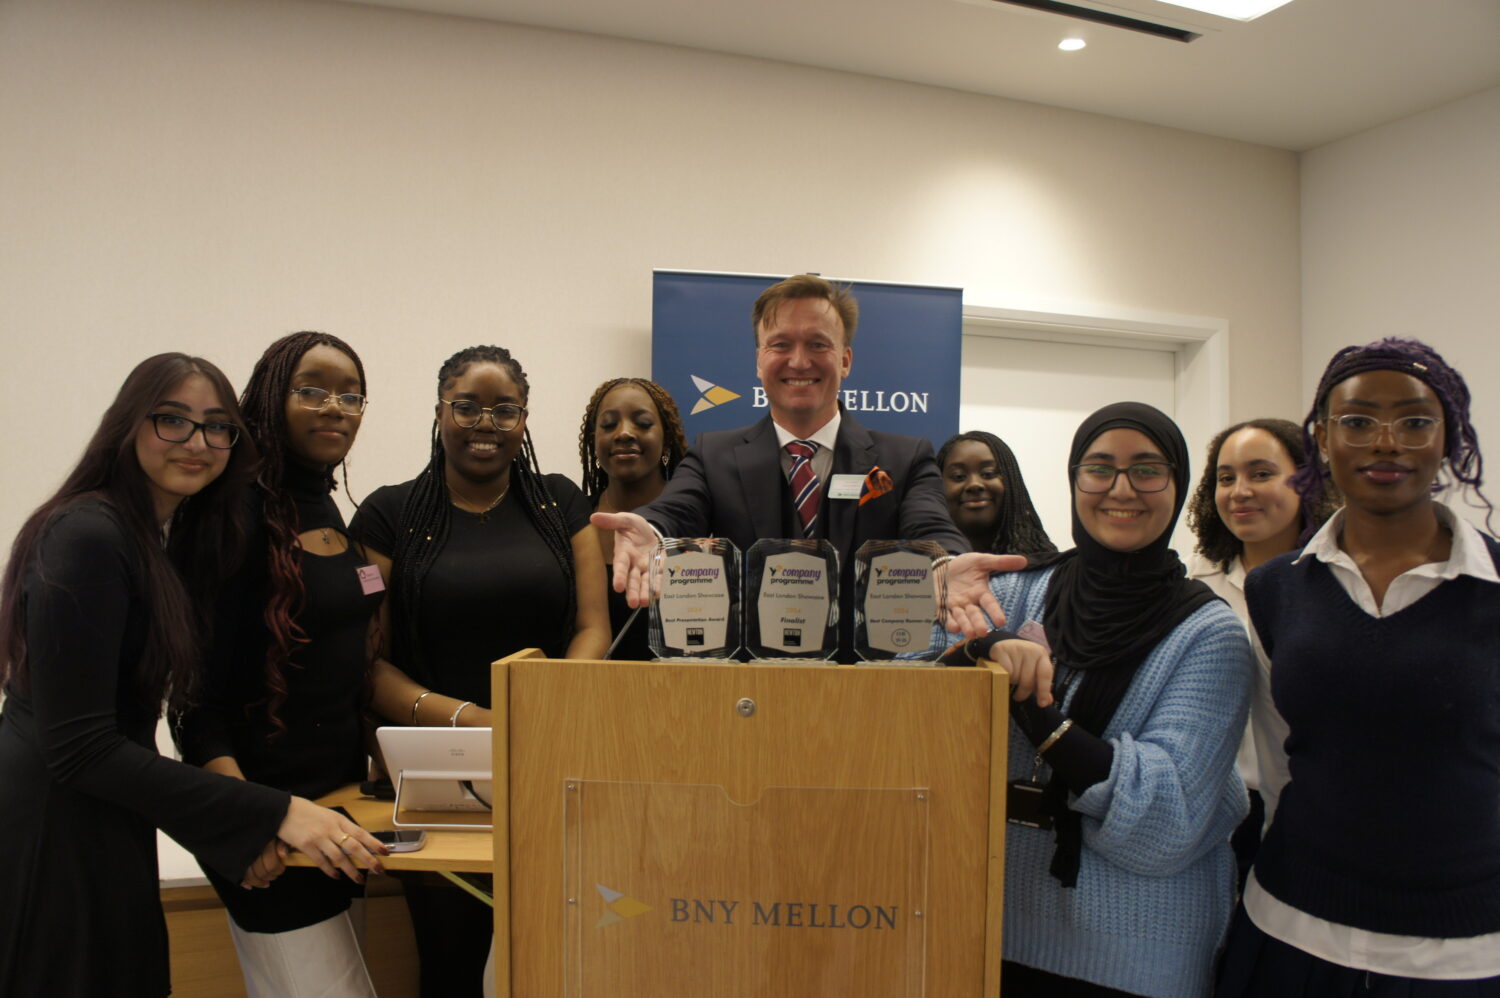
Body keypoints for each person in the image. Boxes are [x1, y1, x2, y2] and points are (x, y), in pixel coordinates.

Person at [0, 353, 386, 998]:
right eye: (172, 421)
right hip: (54, 820)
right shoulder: (87, 534)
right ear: (127, 425)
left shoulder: (145, 535)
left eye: (216, 427)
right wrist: (267, 813)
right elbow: (81, 745)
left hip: (107, 810)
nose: (198, 443)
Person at [1218, 338, 1500, 997]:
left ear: (1449, 437)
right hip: (1291, 931)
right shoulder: (1276, 591)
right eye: (1357, 421)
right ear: (1321, 438)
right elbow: (1278, 763)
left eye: (1414, 421)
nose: (1386, 443)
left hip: (1461, 953)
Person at [942, 402, 1252, 997]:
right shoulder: (1012, 591)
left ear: (1179, 485)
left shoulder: (1210, 635)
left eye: (1147, 469)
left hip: (1129, 959)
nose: (1121, 489)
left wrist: (1037, 713)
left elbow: (1168, 822)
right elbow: (908, 700)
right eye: (1100, 468)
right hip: (985, 930)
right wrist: (981, 652)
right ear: (1073, 478)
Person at [353, 344, 610, 998]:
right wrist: (478, 720)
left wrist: (535, 713)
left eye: (505, 409)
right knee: (450, 960)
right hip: (436, 774)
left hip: (549, 762)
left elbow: (592, 626)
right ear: (439, 412)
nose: (485, 423)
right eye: (467, 406)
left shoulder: (559, 504)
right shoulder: (389, 514)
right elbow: (367, 660)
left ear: (525, 418)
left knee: (556, 956)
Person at [592, 274, 1014, 660]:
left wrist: (946, 562)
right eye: (780, 345)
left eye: (818, 344)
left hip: (869, 701)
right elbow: (674, 510)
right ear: (759, 360)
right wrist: (650, 527)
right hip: (743, 699)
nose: (798, 361)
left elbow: (933, 529)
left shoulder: (904, 459)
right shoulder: (712, 455)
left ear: (845, 359)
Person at [175, 333, 382, 997]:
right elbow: (193, 700)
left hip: (339, 817)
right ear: (268, 400)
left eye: (351, 395)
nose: (335, 408)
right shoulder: (228, 517)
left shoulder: (329, 506)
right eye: (312, 390)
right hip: (269, 826)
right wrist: (246, 820)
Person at [1183, 417, 1336, 890]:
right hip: (1208, 813)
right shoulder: (1192, 584)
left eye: (1261, 473)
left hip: (1310, 813)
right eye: (1226, 478)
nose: (1239, 491)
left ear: (1307, 480)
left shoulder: (1338, 584)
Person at [578, 376, 689, 660]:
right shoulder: (573, 520)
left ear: (666, 440)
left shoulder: (696, 520)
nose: (624, 433)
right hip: (590, 693)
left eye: (642, 423)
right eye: (608, 424)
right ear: (594, 441)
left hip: (684, 693)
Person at [937, 430, 1059, 561]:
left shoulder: (1046, 570)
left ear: (1012, 483)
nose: (974, 484)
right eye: (959, 476)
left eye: (988, 474)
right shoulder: (919, 568)